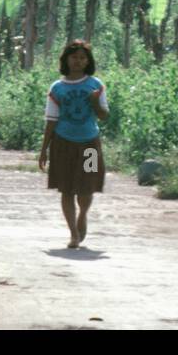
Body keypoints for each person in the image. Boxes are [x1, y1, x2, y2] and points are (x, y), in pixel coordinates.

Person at [38, 39, 108, 248]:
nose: (77, 62)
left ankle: (83, 215)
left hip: (90, 144)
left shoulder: (96, 85)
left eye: (82, 58)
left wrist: (95, 102)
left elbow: (104, 115)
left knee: (87, 187)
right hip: (63, 144)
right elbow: (51, 120)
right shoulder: (57, 88)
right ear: (66, 60)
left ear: (88, 62)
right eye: (74, 57)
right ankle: (73, 234)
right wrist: (44, 150)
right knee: (66, 189)